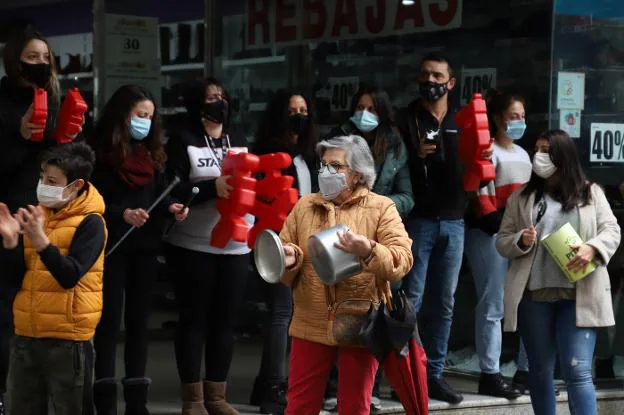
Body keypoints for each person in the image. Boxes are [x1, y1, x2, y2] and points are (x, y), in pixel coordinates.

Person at [278, 135, 413, 415]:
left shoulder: (381, 207)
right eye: (323, 164)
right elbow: (286, 254)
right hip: (309, 321)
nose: (326, 172)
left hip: (359, 321)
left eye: (336, 166)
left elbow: (402, 260)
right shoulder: (305, 206)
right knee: (299, 406)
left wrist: (368, 250)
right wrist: (289, 258)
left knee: (355, 406)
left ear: (357, 173)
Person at [496, 130, 621, 415]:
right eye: (537, 150)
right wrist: (520, 241)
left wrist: (593, 248)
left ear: (563, 156)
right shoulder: (522, 198)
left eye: (547, 151)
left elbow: (611, 230)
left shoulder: (591, 193)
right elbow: (503, 240)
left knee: (577, 371)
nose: (540, 157)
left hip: (578, 295)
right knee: (540, 372)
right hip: (534, 296)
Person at [395, 53, 492, 404]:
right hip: (418, 220)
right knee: (412, 301)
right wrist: (416, 155)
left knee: (445, 303)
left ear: (451, 82)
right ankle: (404, 373)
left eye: (437, 75)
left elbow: (478, 165)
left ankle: (433, 375)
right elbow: (393, 167)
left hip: (454, 220)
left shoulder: (464, 119)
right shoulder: (406, 119)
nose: (430, 81)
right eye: (424, 75)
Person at [89, 85, 189, 415]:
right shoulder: (100, 151)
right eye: (138, 115)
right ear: (122, 115)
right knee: (107, 322)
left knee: (138, 321)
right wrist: (122, 214)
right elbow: (92, 200)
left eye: (149, 116)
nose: (145, 122)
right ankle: (103, 396)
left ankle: (136, 400)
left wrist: (172, 207)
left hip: (144, 247)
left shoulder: (152, 153)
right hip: (112, 245)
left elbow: (157, 197)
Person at [0, 27, 81, 414]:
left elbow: (60, 168)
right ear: (14, 60)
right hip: (7, 219)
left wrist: (68, 141)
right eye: (31, 57)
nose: (40, 64)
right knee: (6, 307)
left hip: (46, 217)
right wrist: (19, 135)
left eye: (45, 57)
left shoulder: (55, 99)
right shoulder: (2, 102)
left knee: (39, 303)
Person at [324, 85, 414, 410]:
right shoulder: (338, 139)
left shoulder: (394, 145)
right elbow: (324, 185)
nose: (365, 114)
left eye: (372, 109)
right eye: (360, 107)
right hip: (340, 231)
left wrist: (376, 205)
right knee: (336, 308)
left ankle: (370, 390)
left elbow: (408, 195)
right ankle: (335, 388)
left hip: (379, 234)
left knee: (375, 314)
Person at [0, 142, 106, 415]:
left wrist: (40, 240)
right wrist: (11, 243)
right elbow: (16, 278)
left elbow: (69, 275)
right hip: (27, 333)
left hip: (67, 338)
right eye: (41, 178)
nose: (43, 185)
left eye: (52, 181)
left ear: (75, 185)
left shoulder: (92, 223)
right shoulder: (38, 215)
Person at [164, 77, 249, 415]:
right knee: (193, 321)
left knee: (226, 323)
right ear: (197, 103)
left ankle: (217, 396)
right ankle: (193, 399)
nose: (219, 102)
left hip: (235, 246)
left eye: (222, 96)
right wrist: (214, 188)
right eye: (211, 97)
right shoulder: (182, 140)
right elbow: (172, 189)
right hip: (192, 245)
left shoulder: (238, 137)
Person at [249, 89, 319, 414]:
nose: (299, 116)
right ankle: (274, 389)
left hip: (303, 243)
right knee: (280, 314)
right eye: (293, 110)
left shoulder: (309, 155)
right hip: (275, 242)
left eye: (304, 110)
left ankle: (268, 383)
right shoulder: (266, 154)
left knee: (290, 313)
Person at [463, 90, 531, 399]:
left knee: (524, 302)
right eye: (513, 116)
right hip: (490, 233)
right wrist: (502, 229)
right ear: (497, 118)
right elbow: (482, 197)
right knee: (493, 303)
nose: (519, 122)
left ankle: (527, 370)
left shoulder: (523, 154)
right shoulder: (488, 152)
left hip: (519, 236)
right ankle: (490, 373)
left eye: (522, 117)